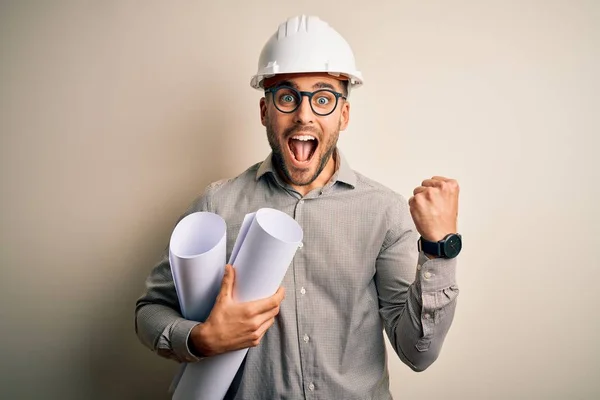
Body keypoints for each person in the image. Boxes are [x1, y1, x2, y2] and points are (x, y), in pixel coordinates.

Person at [135, 14, 462, 399]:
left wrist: (439, 249)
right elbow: (150, 311)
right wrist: (201, 339)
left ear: (343, 114)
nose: (304, 114)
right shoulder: (216, 205)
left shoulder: (384, 212)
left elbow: (417, 353)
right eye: (287, 97)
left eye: (323, 98)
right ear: (264, 111)